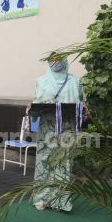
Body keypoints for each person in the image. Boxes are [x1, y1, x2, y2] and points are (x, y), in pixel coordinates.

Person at [31, 57, 83, 211]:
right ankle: (41, 197)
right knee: (45, 160)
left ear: (65, 60)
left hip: (67, 125)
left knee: (65, 161)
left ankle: (60, 200)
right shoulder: (41, 80)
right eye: (51, 59)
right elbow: (36, 101)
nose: (55, 62)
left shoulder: (75, 81)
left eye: (58, 59)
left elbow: (80, 101)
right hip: (47, 126)